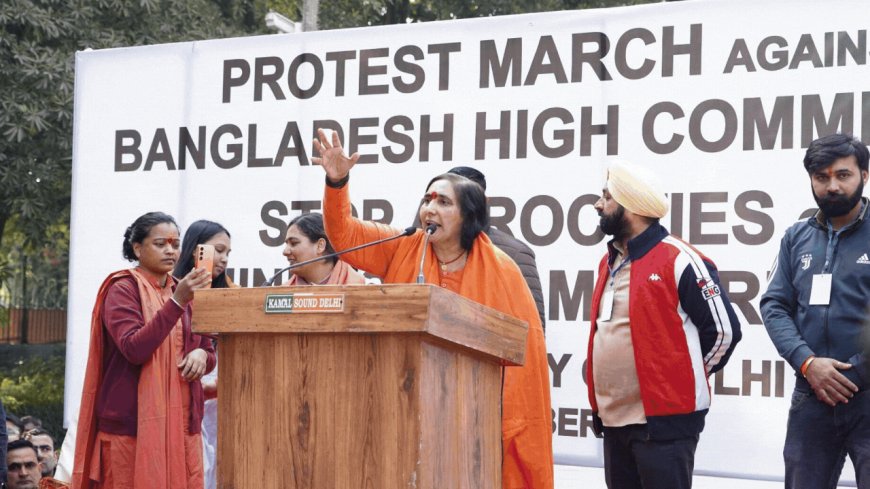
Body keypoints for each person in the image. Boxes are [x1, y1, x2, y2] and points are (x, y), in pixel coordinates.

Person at [312, 129, 553, 489]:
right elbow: (344, 234)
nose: (430, 208)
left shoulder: (503, 269)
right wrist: (337, 182)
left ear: (468, 215)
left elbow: (524, 352)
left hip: (473, 418)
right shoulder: (402, 246)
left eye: (443, 202)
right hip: (405, 403)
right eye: (427, 199)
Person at [586, 161, 741, 489]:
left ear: (631, 204)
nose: (598, 204)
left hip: (664, 426)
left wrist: (682, 377)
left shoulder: (679, 258)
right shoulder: (608, 261)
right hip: (614, 422)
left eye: (607, 197)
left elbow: (724, 331)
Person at [71, 212, 215, 489]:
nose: (170, 251)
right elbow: (134, 349)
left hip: (182, 423)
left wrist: (202, 356)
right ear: (137, 248)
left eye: (175, 244)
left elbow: (207, 350)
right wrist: (177, 302)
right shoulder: (122, 289)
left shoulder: (182, 290)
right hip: (132, 425)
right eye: (161, 244)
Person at [760, 133, 870, 488]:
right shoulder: (796, 237)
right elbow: (774, 305)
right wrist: (808, 363)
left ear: (864, 175)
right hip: (811, 394)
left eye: (843, 175)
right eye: (821, 177)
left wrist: (856, 374)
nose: (832, 186)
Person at [173, 219, 235, 489]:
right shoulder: (170, 292)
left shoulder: (230, 295)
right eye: (218, 250)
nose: (224, 259)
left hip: (221, 407)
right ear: (195, 250)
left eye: (228, 253)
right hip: (182, 401)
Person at [447, 166, 547, 332]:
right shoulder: (421, 248)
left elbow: (532, 329)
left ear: (483, 202)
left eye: (466, 200)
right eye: (446, 201)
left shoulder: (515, 254)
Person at [282, 213, 365, 286]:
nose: (285, 252)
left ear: (320, 246)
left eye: (294, 243)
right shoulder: (282, 293)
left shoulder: (359, 289)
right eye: (287, 244)